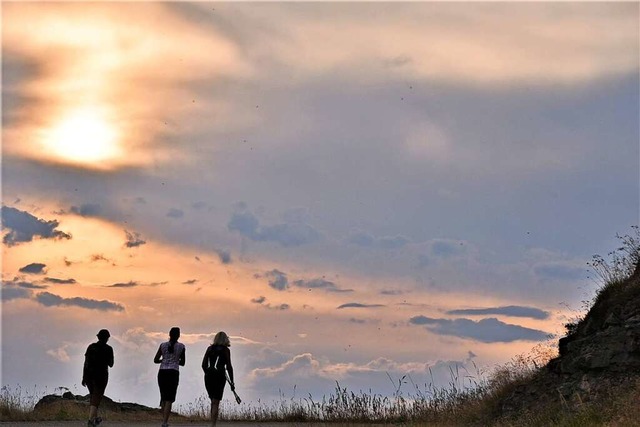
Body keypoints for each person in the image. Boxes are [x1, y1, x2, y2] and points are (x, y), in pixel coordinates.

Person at [154, 327, 186, 427]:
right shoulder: (181, 346)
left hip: (162, 371)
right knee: (170, 398)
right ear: (178, 335)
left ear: (169, 334)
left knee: (163, 396)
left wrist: (163, 360)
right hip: (173, 372)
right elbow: (183, 362)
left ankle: (163, 417)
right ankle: (165, 421)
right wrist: (175, 360)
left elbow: (155, 360)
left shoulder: (162, 345)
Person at [82, 329, 114, 427]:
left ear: (98, 337)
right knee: (97, 397)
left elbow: (86, 362)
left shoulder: (91, 347)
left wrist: (83, 377)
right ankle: (91, 420)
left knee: (93, 396)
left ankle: (95, 419)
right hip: (101, 375)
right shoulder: (108, 349)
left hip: (89, 375)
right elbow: (111, 364)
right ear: (107, 338)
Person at [202, 331, 235, 426]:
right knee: (216, 401)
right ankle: (213, 424)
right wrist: (232, 382)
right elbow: (229, 366)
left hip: (209, 377)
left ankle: (212, 423)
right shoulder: (225, 350)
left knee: (212, 400)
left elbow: (203, 364)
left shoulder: (209, 349)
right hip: (220, 376)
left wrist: (207, 373)